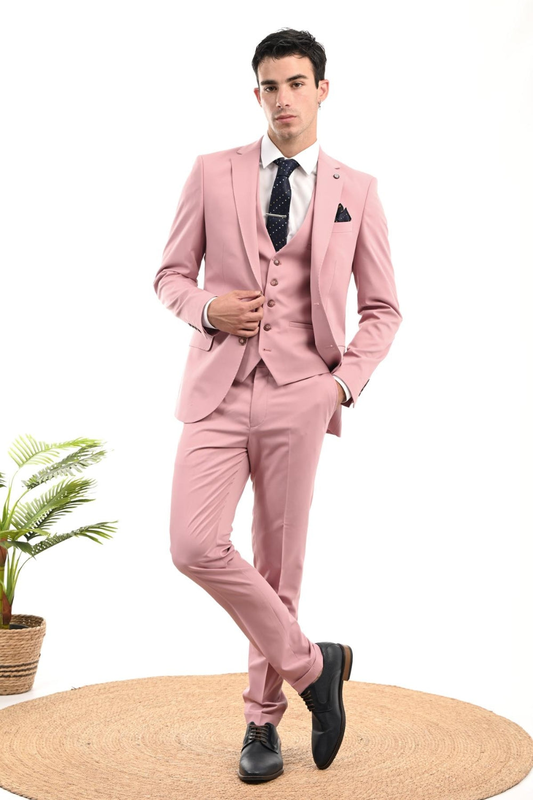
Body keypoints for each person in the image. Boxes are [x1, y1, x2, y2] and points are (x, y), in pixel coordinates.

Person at [153, 27, 402, 783]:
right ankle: (313, 666)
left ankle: (261, 723)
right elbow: (169, 275)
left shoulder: (356, 191)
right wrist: (208, 309)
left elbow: (382, 310)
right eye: (270, 86)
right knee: (193, 544)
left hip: (301, 393)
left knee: (277, 561)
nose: (283, 99)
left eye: (296, 84)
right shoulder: (211, 171)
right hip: (218, 389)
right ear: (255, 93)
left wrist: (339, 385)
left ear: (321, 90)